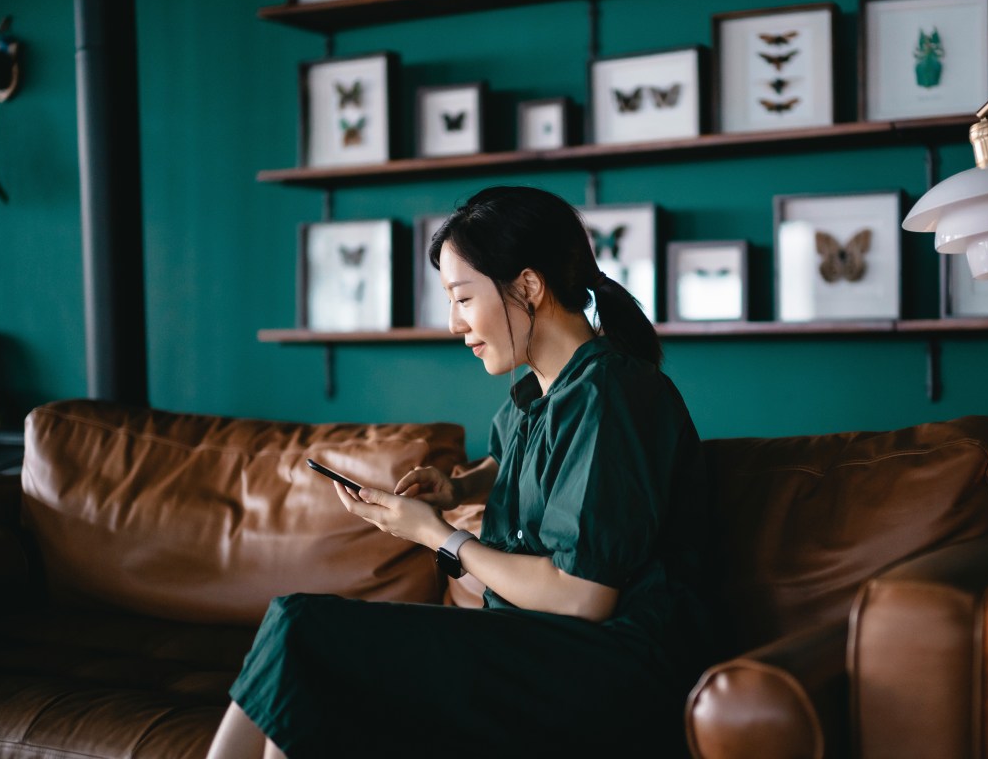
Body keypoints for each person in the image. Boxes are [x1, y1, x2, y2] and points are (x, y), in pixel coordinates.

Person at [206, 186, 713, 758]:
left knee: (303, 626)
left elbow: (583, 598)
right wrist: (460, 488)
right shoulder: (539, 394)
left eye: (463, 298)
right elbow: (522, 460)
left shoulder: (612, 393)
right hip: (532, 648)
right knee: (313, 660)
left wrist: (437, 535)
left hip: (610, 671)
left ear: (528, 285)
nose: (453, 324)